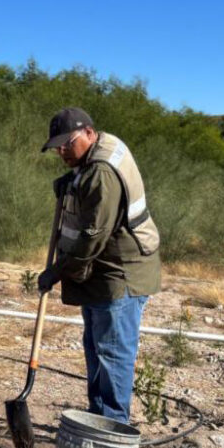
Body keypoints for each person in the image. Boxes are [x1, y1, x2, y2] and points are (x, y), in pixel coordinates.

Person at [36, 108, 161, 424]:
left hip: (120, 274)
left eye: (68, 144)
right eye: (58, 147)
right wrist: (72, 181)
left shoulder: (101, 173)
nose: (62, 152)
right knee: (97, 346)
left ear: (89, 133)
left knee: (112, 353)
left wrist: (57, 271)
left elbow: (93, 237)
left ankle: (112, 428)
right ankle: (99, 415)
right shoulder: (92, 157)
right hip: (103, 271)